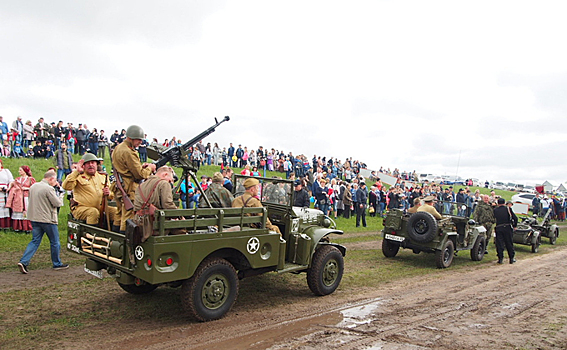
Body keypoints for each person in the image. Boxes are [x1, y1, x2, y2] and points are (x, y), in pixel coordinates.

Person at [17, 171, 68, 274]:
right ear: (51, 179)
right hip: (47, 219)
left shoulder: (34, 186)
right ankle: (56, 263)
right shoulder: (48, 189)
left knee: (35, 241)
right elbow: (57, 203)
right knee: (54, 242)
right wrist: (61, 195)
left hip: (34, 218)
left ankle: (24, 261)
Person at [111, 125, 155, 232]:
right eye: (138, 139)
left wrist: (141, 167)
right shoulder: (128, 152)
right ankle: (123, 244)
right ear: (131, 138)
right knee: (128, 216)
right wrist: (150, 168)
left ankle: (114, 238)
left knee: (119, 214)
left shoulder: (119, 147)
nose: (140, 142)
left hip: (119, 185)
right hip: (128, 188)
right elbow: (140, 175)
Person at [62, 153, 115, 227]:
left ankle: (117, 235)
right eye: (88, 163)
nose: (91, 165)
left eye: (93, 163)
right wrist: (77, 171)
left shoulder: (103, 177)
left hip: (100, 207)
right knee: (93, 212)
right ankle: (91, 236)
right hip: (81, 208)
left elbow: (111, 195)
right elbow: (66, 186)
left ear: (97, 165)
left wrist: (108, 193)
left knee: (116, 212)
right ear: (83, 166)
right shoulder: (78, 177)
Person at [133, 166, 181, 240]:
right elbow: (168, 205)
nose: (170, 183)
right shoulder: (163, 183)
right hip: (154, 226)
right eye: (170, 180)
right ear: (165, 175)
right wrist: (180, 216)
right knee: (181, 229)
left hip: (138, 225)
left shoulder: (141, 185)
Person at [6, 166, 35, 233]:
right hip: (18, 197)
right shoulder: (18, 179)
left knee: (27, 211)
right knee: (18, 211)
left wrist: (27, 188)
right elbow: (12, 184)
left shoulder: (30, 179)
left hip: (27, 197)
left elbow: (34, 188)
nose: (19, 172)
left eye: (20, 170)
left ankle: (27, 228)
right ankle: (18, 227)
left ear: (25, 171)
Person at [493, 197, 517, 264]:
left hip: (499, 227)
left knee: (499, 244)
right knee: (509, 243)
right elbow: (515, 218)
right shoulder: (508, 209)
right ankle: (511, 258)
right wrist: (515, 226)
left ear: (498, 203)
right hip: (507, 227)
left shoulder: (495, 210)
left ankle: (500, 259)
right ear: (504, 203)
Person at [0, 159, 14, 230]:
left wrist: (9, 187)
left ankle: (6, 225)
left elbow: (11, 180)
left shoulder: (6, 171)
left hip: (6, 190)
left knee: (5, 207)